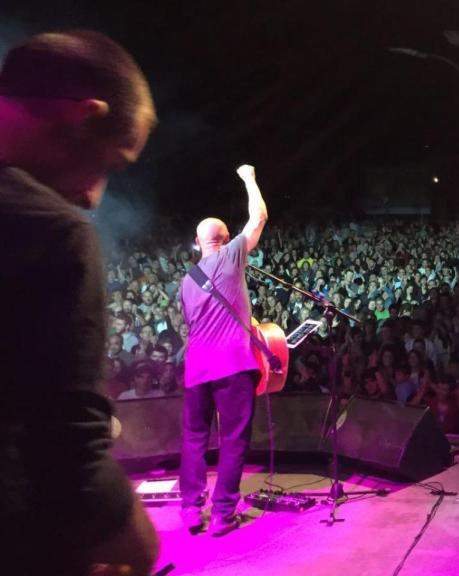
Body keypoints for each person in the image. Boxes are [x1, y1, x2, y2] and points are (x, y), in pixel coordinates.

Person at [0, 31, 159, 575]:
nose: (94, 197)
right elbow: (68, 454)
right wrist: (139, 553)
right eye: (112, 163)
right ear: (80, 116)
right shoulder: (49, 230)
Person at [179, 164, 268, 536]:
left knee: (194, 437)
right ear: (228, 238)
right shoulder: (233, 255)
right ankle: (222, 513)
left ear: (196, 244)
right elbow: (259, 215)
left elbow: (190, 324)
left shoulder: (186, 280)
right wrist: (249, 178)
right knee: (232, 438)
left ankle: (190, 509)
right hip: (232, 364)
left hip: (196, 368)